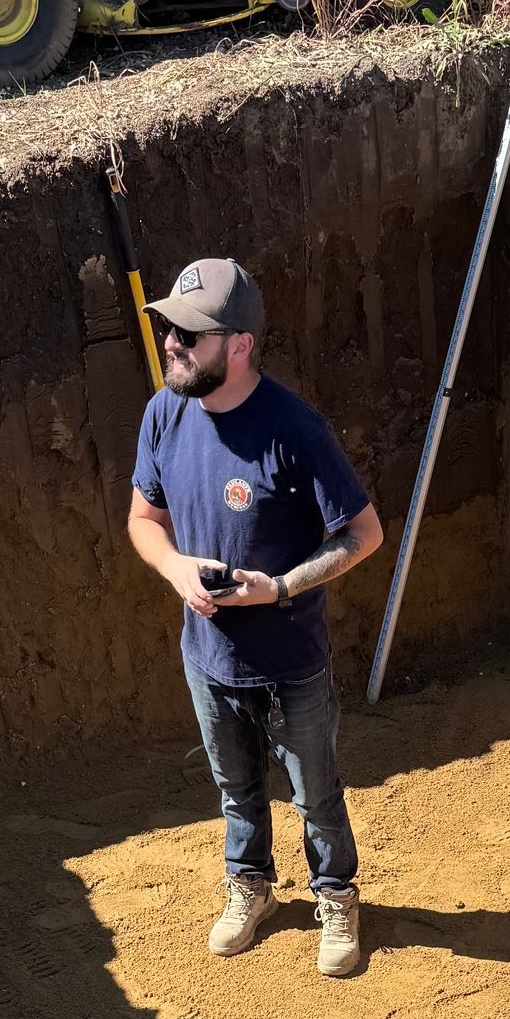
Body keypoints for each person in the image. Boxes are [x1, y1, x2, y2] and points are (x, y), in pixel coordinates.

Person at [126, 258, 384, 978]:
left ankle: (335, 896)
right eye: (169, 328)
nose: (172, 343)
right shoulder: (163, 412)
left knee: (316, 794)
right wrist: (176, 568)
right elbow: (145, 520)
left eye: (189, 333)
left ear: (239, 344)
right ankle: (252, 888)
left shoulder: (295, 429)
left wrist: (280, 587)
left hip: (291, 660)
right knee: (235, 788)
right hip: (207, 655)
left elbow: (363, 534)